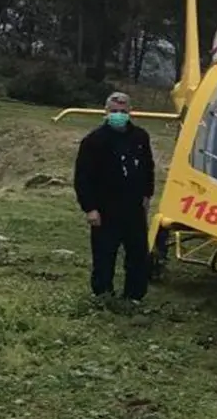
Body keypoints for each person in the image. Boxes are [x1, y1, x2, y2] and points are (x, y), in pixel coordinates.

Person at [73, 92, 155, 303]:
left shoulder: (140, 137)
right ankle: (102, 295)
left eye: (123, 111)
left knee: (138, 254)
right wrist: (89, 208)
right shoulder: (94, 141)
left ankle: (134, 296)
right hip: (105, 208)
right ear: (106, 112)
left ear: (130, 112)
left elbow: (148, 167)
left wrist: (147, 194)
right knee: (104, 254)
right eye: (114, 111)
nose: (119, 115)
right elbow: (83, 177)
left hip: (134, 208)